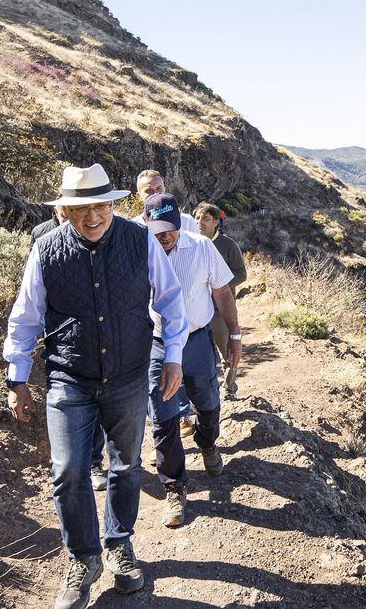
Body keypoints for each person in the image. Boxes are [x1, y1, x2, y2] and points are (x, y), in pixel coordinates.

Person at [3, 164, 187, 609]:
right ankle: (83, 558)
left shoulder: (139, 239)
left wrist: (174, 356)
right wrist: (17, 377)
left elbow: (170, 300)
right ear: (64, 209)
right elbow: (26, 318)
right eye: (81, 208)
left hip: (127, 376)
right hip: (69, 378)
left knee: (126, 466)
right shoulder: (46, 250)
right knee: (68, 471)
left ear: (113, 204)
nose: (93, 217)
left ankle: (119, 544)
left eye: (101, 206)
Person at [142, 193, 241, 528]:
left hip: (197, 341)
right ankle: (174, 485)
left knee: (208, 402)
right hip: (156, 343)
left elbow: (222, 293)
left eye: (169, 227)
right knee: (163, 416)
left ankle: (207, 441)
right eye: (157, 228)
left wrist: (235, 336)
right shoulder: (139, 251)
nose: (164, 235)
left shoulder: (201, 247)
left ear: (178, 223)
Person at [31, 206, 109, 492]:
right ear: (58, 208)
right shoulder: (41, 236)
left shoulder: (100, 234)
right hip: (61, 339)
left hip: (97, 337)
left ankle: (93, 460)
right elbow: (35, 288)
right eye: (70, 209)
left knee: (98, 403)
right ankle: (72, 463)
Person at [193, 202, 246, 398]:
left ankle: (230, 388)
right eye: (197, 218)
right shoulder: (190, 242)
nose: (200, 223)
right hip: (196, 307)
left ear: (216, 222)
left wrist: (219, 282)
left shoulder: (227, 245)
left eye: (205, 219)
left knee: (228, 352)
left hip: (220, 310)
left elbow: (241, 274)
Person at [134, 169, 199, 234]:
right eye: (149, 191)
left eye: (159, 188)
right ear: (139, 196)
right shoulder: (134, 226)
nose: (155, 193)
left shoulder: (186, 221)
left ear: (165, 189)